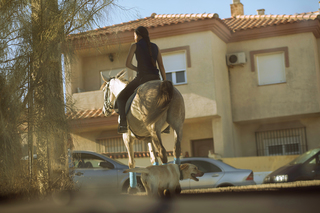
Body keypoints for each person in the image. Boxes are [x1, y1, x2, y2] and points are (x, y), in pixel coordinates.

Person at [116, 26, 166, 134]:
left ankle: (123, 124)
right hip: (156, 78)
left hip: (142, 79)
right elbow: (161, 66)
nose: (133, 37)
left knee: (121, 98)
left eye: (134, 35)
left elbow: (127, 64)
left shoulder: (134, 46)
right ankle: (166, 125)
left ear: (138, 35)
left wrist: (137, 69)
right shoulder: (155, 47)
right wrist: (164, 82)